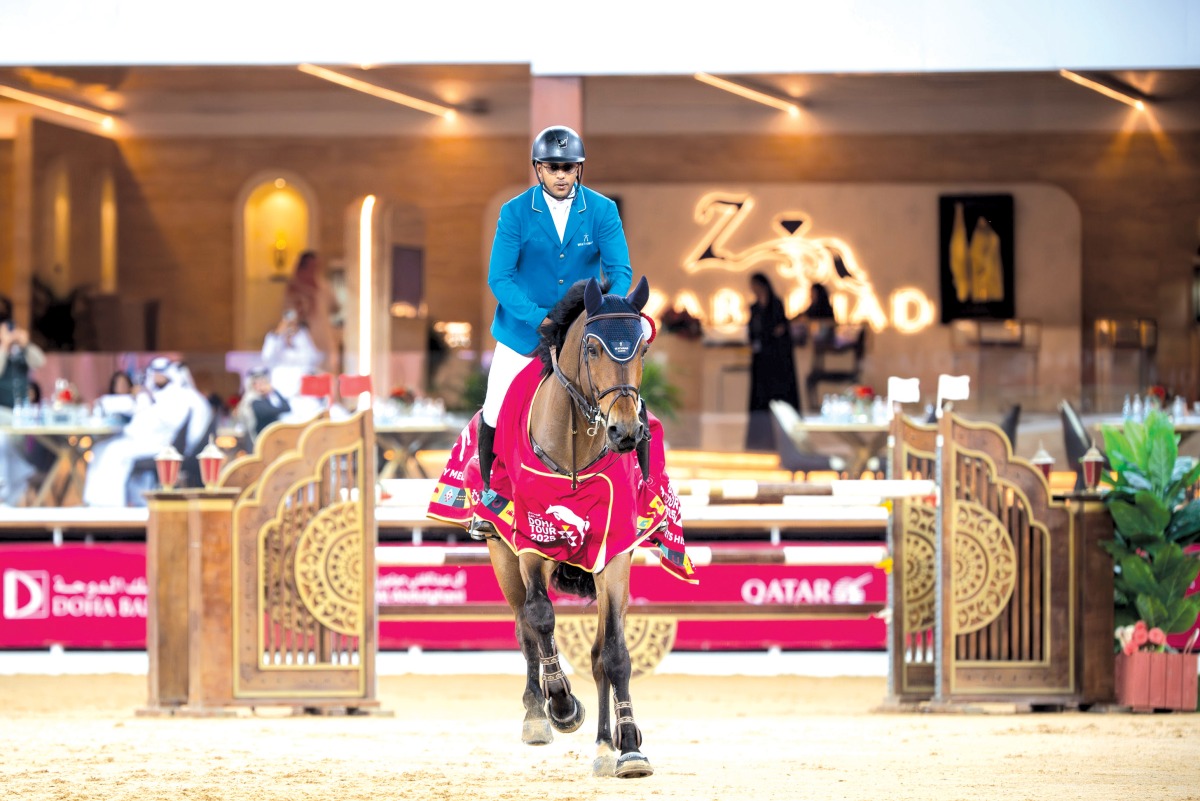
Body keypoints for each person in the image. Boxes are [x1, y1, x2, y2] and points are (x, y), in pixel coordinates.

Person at [477, 124, 632, 491]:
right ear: (538, 168)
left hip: (581, 329)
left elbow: (620, 272)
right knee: (495, 406)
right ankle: (490, 494)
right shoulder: (515, 212)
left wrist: (605, 312)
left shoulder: (601, 210)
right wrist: (539, 318)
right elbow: (500, 277)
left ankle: (643, 492)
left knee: (633, 405)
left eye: (568, 167)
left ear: (579, 168)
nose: (561, 175)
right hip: (523, 331)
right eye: (552, 167)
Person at [83, 356, 192, 507]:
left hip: (157, 443)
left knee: (115, 451)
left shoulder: (178, 394)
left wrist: (149, 400)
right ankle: (93, 501)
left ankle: (112, 506)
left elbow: (169, 421)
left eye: (160, 372)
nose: (155, 375)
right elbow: (130, 405)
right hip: (138, 439)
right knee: (99, 448)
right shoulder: (150, 392)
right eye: (154, 372)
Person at [745, 272, 800, 452]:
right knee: (760, 399)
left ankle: (785, 441)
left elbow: (781, 330)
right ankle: (760, 441)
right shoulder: (754, 308)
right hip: (761, 362)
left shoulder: (776, 305)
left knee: (779, 399)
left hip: (777, 363)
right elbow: (755, 332)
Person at [0, 312, 46, 505]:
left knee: (11, 447)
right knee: (2, 442)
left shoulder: (22, 351)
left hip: (22, 412)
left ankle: (12, 495)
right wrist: (4, 345)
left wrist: (25, 344)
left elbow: (40, 362)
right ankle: (11, 489)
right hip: (2, 411)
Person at [261, 307, 325, 423]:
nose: (289, 332)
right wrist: (280, 331)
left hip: (304, 400)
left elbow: (313, 359)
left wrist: (299, 334)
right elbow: (267, 356)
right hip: (281, 402)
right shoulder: (276, 349)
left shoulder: (302, 345)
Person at [283, 250, 339, 371]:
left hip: (324, 339)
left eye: (316, 267)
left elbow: (335, 307)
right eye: (311, 267)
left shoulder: (323, 286)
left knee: (325, 377)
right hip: (301, 342)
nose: (314, 270)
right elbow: (287, 315)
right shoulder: (293, 289)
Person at [237, 366, 291, 439]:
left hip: (271, 437)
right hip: (258, 439)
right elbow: (272, 411)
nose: (263, 385)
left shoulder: (266, 399)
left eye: (264, 382)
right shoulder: (252, 400)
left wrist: (274, 391)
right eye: (259, 383)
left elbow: (287, 407)